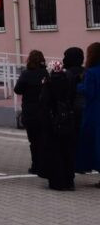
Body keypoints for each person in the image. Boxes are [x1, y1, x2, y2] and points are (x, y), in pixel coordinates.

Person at [38, 60, 77, 191]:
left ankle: (57, 182)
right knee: (68, 151)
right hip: (68, 120)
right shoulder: (68, 81)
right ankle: (69, 181)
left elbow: (44, 103)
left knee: (54, 151)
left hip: (52, 122)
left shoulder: (48, 83)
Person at [15, 50, 47, 174]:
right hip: (44, 110)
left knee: (34, 141)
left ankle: (36, 165)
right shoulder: (45, 73)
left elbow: (17, 90)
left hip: (30, 111)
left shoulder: (26, 74)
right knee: (44, 139)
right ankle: (45, 164)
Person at [76, 42, 100, 188]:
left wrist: (77, 86)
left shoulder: (91, 72)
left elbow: (89, 92)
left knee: (95, 144)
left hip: (94, 112)